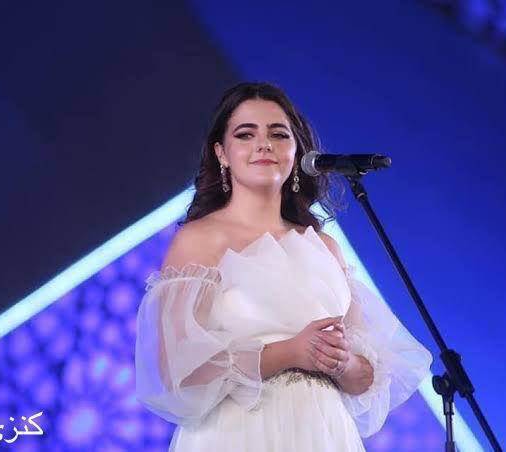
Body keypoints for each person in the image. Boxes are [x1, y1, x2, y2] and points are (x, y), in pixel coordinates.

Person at [135, 81, 433, 451]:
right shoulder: (200, 239)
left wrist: (342, 363)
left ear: (296, 152)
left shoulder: (324, 247)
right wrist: (290, 352)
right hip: (239, 433)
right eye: (246, 134)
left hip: (324, 434)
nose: (264, 144)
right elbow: (176, 374)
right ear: (221, 153)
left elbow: (365, 378)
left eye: (278, 134)